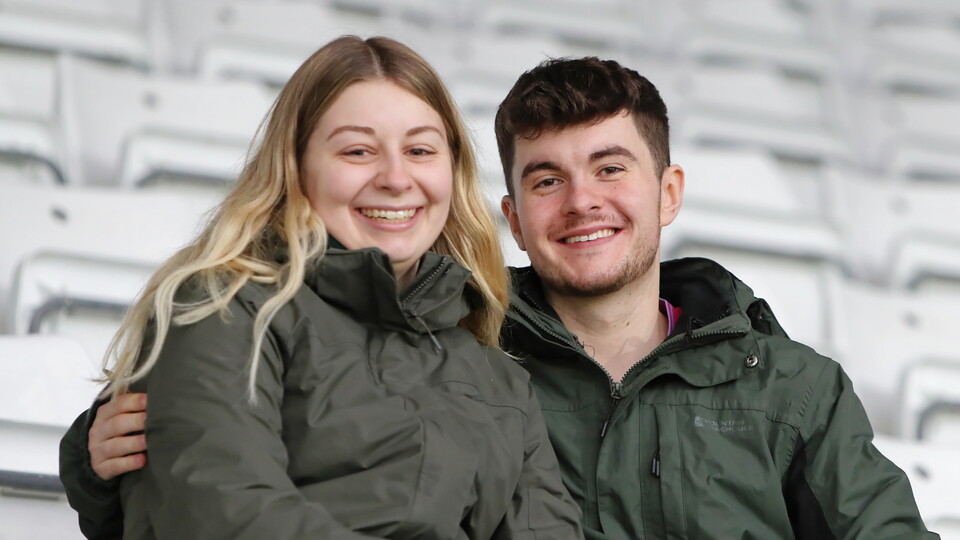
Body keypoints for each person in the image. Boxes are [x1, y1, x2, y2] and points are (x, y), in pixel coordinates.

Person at [62, 55, 938, 539]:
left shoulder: (789, 388)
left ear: (668, 193)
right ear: (512, 216)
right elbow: (207, 466)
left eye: (611, 169)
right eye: (547, 180)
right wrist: (92, 455)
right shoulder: (479, 343)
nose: (583, 202)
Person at [58, 35, 583, 540]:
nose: (396, 178)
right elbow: (227, 517)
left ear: (453, 171)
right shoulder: (222, 308)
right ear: (296, 168)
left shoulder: (499, 380)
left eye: (420, 150)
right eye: (357, 151)